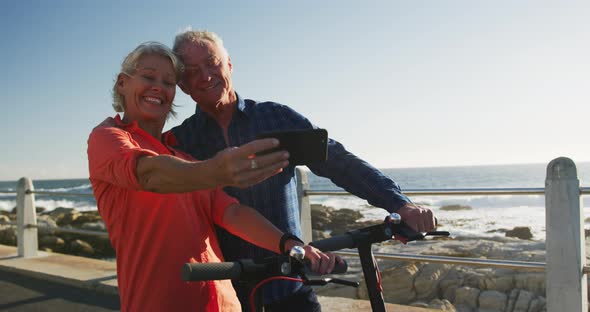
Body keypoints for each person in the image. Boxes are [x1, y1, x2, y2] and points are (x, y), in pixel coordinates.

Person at [167, 29, 437, 311]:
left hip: (291, 284)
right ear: (183, 84)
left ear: (230, 64)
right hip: (224, 295)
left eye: (212, 62)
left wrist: (399, 204)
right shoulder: (180, 140)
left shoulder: (275, 117)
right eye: (193, 70)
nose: (206, 75)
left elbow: (336, 160)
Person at [87, 41, 338, 312]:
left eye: (169, 82)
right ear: (123, 83)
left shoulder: (184, 156)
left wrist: (291, 244)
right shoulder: (108, 137)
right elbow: (148, 173)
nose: (158, 86)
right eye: (148, 77)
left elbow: (232, 213)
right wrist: (215, 171)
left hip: (223, 302)